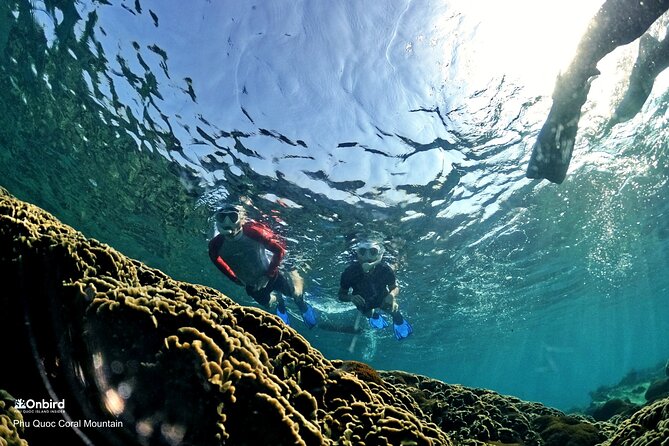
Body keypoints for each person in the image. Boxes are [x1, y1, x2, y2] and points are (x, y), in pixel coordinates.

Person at [208, 204, 317, 328]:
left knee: (295, 295)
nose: (227, 222)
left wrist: (268, 275)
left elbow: (279, 251)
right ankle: (279, 303)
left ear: (241, 219)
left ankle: (301, 305)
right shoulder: (215, 245)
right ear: (217, 220)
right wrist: (234, 278)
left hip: (271, 275)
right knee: (268, 304)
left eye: (232, 217)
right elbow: (216, 260)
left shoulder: (253, 232)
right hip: (252, 284)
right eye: (222, 217)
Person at [338, 239, 413, 340]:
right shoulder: (349, 273)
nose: (367, 256)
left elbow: (394, 288)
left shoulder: (385, 269)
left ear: (378, 255)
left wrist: (391, 296)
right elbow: (341, 295)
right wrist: (351, 297)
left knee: (394, 310)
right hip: (362, 300)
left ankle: (398, 320)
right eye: (363, 252)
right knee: (368, 314)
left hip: (383, 297)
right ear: (358, 254)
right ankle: (375, 316)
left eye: (373, 252)